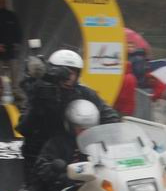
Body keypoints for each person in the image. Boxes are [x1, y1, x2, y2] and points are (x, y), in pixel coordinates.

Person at [17, 49, 118, 181]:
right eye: (65, 72)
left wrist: (114, 136)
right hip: (40, 153)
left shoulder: (84, 93)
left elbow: (110, 117)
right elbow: (24, 127)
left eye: (74, 72)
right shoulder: (40, 92)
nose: (69, 76)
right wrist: (37, 102)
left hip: (73, 151)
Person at [0, 0, 22, 97]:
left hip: (11, 51)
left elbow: (18, 31)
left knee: (14, 72)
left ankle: (15, 92)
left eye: (3, 2)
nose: (1, 3)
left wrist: (17, 44)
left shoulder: (11, 15)